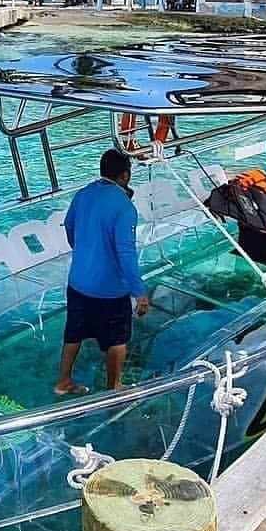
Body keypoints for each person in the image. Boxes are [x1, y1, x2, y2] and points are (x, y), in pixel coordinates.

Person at [56, 149, 149, 395]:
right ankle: (114, 387)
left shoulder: (83, 194)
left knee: (74, 332)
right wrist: (139, 291)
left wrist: (85, 252)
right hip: (110, 290)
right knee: (117, 340)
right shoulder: (124, 207)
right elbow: (126, 252)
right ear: (125, 176)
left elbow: (69, 226)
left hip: (78, 282)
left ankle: (63, 382)